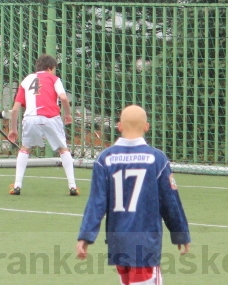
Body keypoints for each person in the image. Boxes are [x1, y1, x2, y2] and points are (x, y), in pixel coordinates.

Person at [76, 104, 191, 284]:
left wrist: (85, 236)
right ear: (147, 127)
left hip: (118, 240)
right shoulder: (157, 159)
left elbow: (96, 202)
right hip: (145, 241)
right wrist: (180, 233)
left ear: (119, 126)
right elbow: (170, 201)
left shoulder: (104, 159)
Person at [7, 53, 78, 195]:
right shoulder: (54, 79)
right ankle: (72, 186)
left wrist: (13, 129)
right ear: (50, 68)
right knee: (63, 149)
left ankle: (17, 185)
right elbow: (64, 98)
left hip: (30, 118)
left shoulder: (26, 80)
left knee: (25, 149)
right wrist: (68, 114)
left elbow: (15, 109)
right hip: (51, 117)